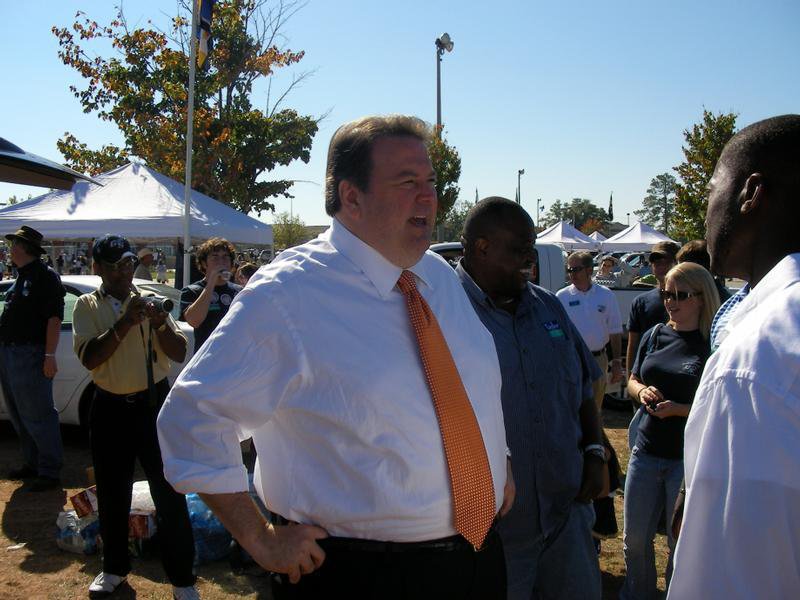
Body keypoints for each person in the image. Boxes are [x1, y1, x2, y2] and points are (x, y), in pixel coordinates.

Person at [158, 115, 512, 599]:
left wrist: (499, 463)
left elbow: (472, 387)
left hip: (477, 561)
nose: (429, 197)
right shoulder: (288, 295)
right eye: (408, 181)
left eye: (430, 181)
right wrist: (260, 538)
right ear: (351, 196)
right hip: (359, 576)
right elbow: (192, 416)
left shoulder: (438, 277)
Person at [668, 115, 800, 598]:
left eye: (710, 192)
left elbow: (729, 576)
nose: (707, 213)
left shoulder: (755, 360)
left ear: (751, 193)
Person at [458, 197, 604, 600]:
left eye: (532, 248)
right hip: (492, 537)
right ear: (482, 247)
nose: (530, 259)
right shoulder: (444, 314)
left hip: (566, 520)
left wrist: (594, 449)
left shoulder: (548, 307)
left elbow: (582, 388)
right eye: (520, 249)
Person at [71, 234, 197, 599]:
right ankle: (113, 569)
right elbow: (92, 358)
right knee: (113, 492)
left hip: (151, 404)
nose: (125, 272)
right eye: (115, 266)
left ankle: (182, 579)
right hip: (109, 407)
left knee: (169, 491)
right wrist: (125, 323)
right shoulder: (86, 306)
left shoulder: (146, 301)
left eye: (128, 264)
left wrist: (158, 323)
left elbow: (179, 351)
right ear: (98, 269)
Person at [621, 262, 719, 599]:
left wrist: (679, 410)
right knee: (634, 540)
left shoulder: (713, 345)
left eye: (680, 295)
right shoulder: (655, 334)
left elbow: (718, 407)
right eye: (666, 294)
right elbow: (632, 380)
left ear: (701, 298)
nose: (670, 302)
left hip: (685, 460)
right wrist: (641, 392)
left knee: (679, 544)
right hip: (645, 452)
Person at [0, 226, 66, 492]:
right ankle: (33, 463)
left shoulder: (44, 276)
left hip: (30, 352)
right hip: (11, 353)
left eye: (13, 244)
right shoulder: (21, 276)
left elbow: (54, 318)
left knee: (37, 413)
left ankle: (49, 470)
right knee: (18, 413)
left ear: (23, 248)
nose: (10, 248)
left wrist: (49, 355)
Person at [557, 251, 624, 410]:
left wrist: (616, 363)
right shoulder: (562, 296)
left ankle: (593, 434)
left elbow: (615, 330)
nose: (571, 274)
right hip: (571, 359)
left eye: (575, 269)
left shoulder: (606, 295)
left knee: (595, 407)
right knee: (571, 407)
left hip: (598, 359)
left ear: (589, 270)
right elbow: (557, 331)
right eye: (569, 270)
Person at [625, 241, 680, 380]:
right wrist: (630, 380)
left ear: (677, 262)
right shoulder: (641, 302)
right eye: (656, 262)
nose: (660, 266)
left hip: (679, 377)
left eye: (665, 261)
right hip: (647, 379)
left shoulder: (689, 298)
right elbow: (633, 346)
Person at [179, 237, 243, 352]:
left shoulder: (239, 292)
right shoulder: (192, 291)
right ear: (204, 263)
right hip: (207, 358)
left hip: (235, 358)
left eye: (225, 257)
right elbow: (194, 321)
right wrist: (211, 282)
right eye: (215, 257)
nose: (221, 262)